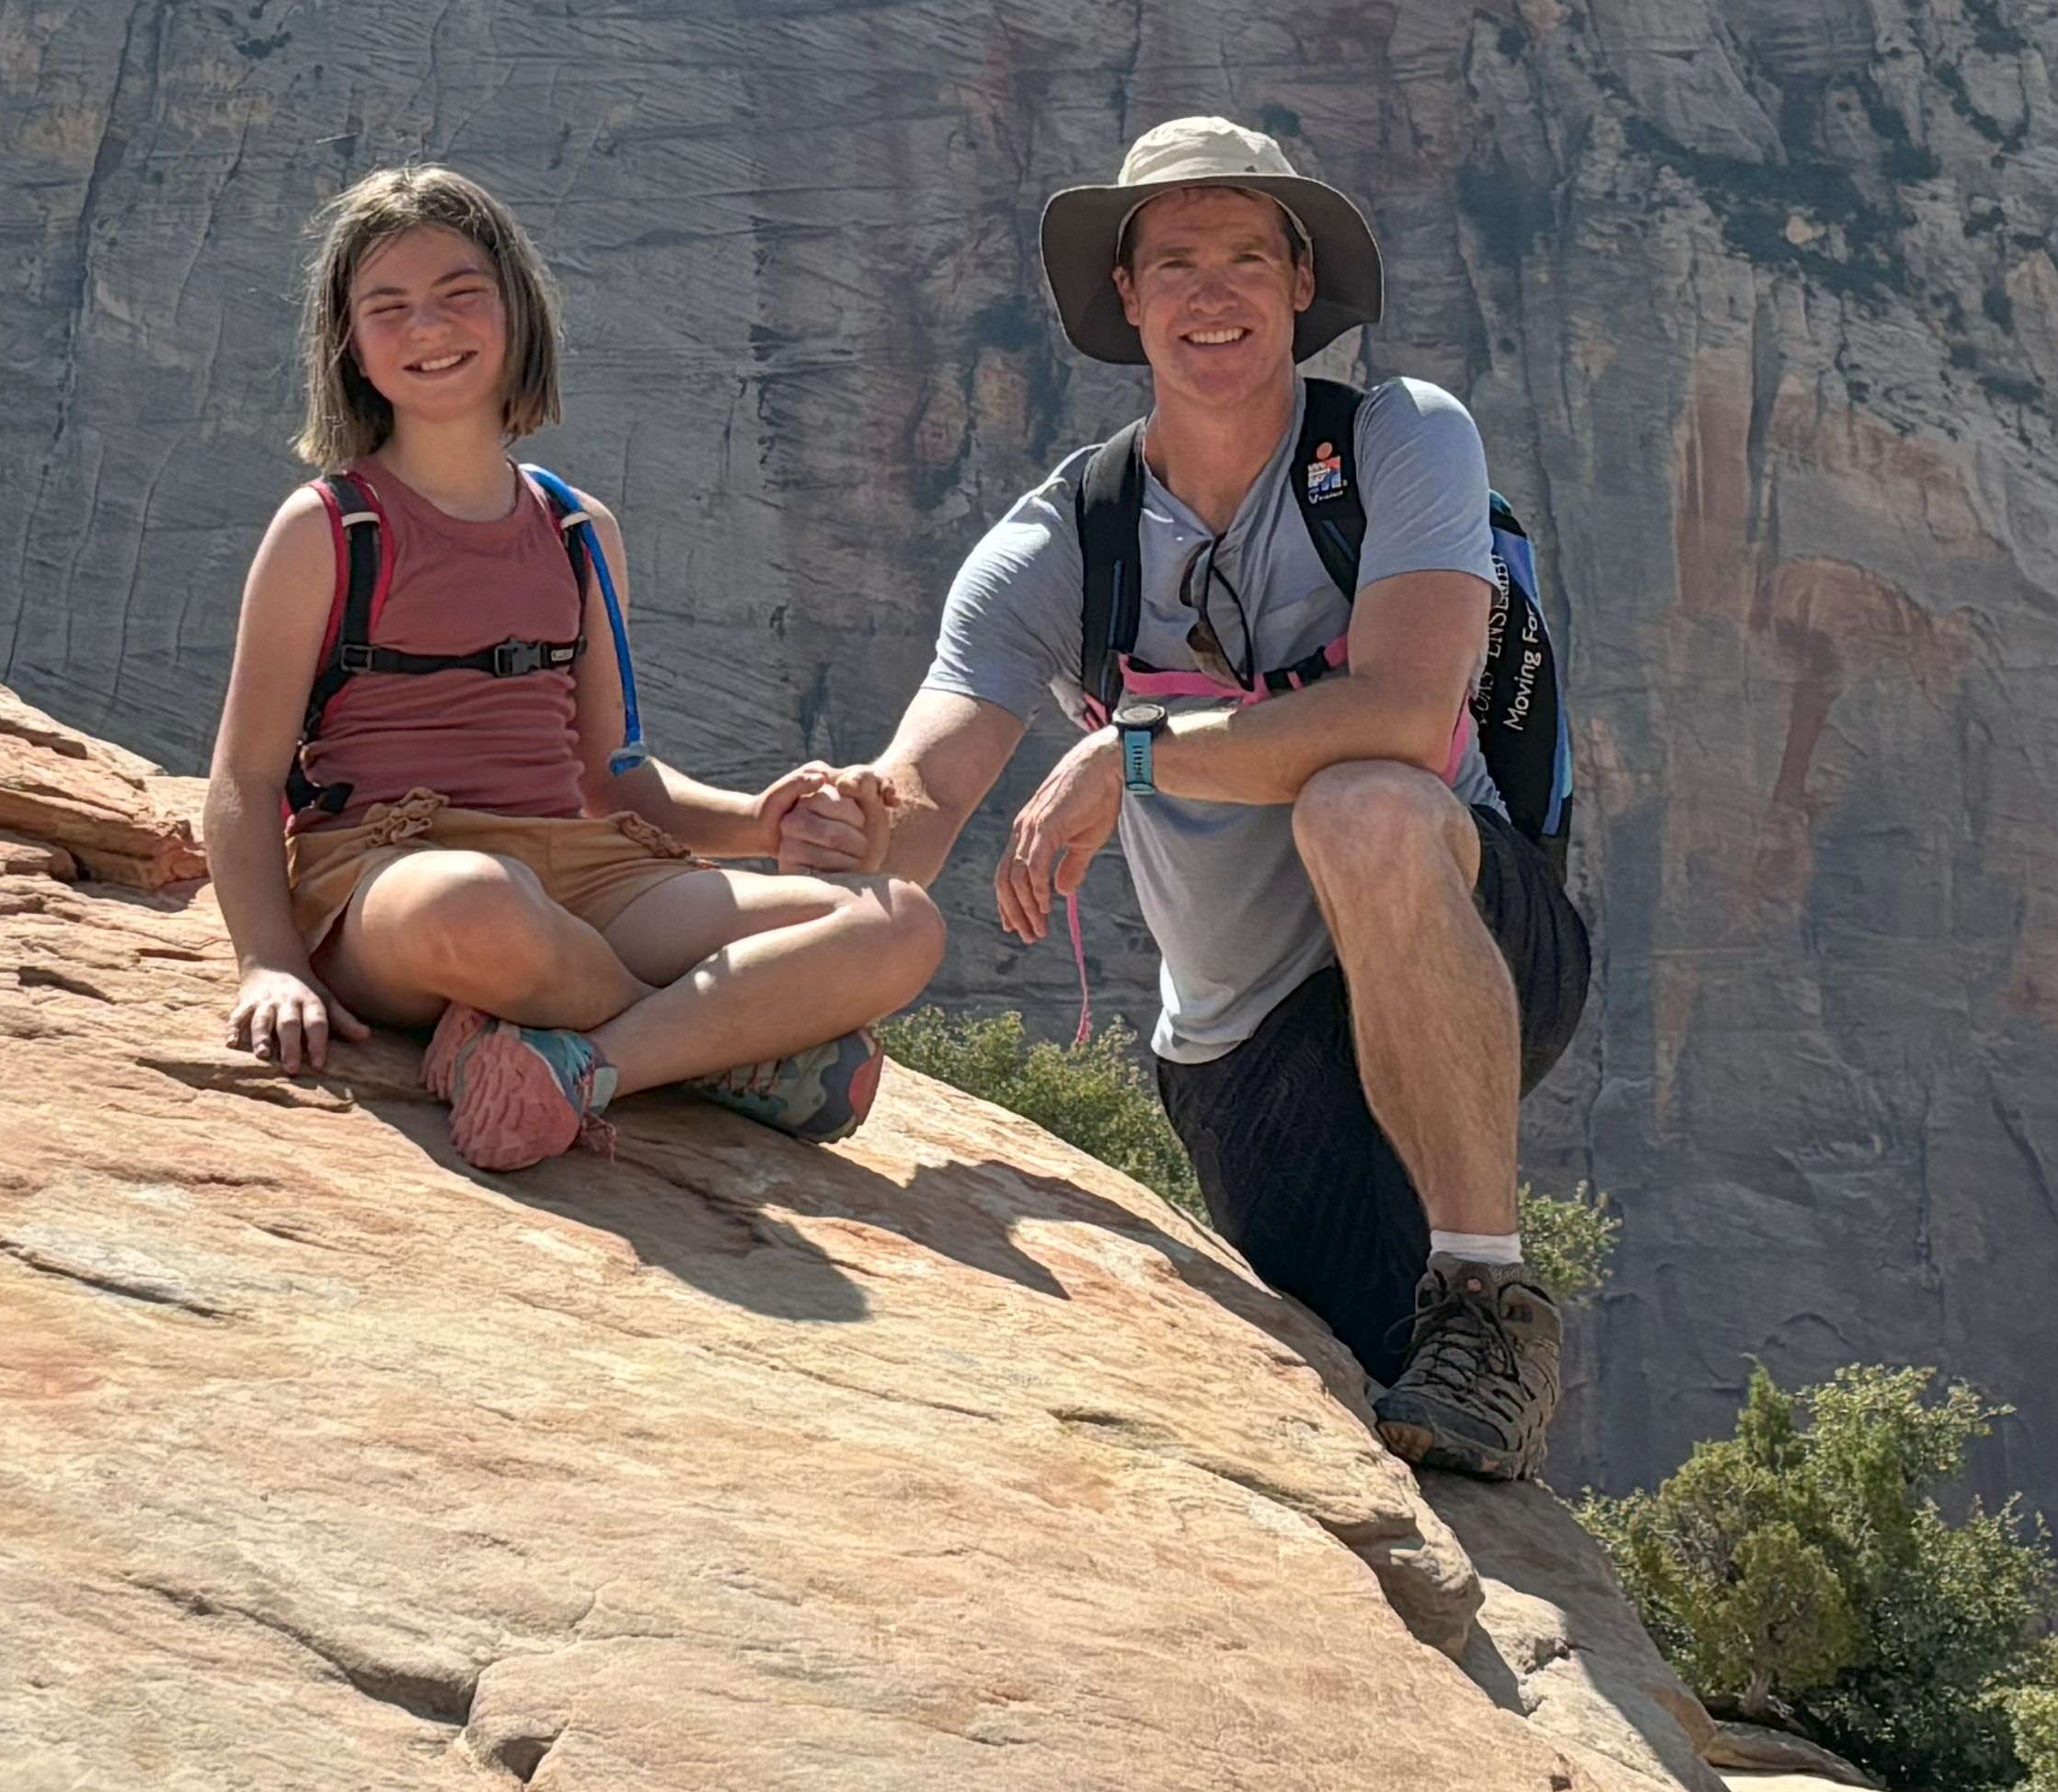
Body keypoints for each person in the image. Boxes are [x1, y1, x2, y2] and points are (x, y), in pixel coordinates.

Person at [841, 119, 1592, 1476]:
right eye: (1177, 263)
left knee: (1360, 804)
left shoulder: (1403, 440)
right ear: (1127, 297)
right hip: (1249, 1055)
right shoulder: (1061, 545)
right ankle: (1466, 1391)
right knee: (1388, 1410)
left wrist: (1130, 754)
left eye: (1248, 255)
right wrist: (785, 848)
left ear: (1302, 282)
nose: (1214, 292)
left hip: (1477, 924)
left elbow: (1404, 714)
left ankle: (1494, 1300)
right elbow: (922, 797)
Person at [203, 163, 945, 1176]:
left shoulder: (575, 530)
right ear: (349, 347)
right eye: (389, 307)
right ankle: (724, 1053)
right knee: (479, 901)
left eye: (459, 293)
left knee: (900, 921)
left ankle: (582, 1065)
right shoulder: (328, 528)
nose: (429, 327)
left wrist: (762, 825)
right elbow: (245, 777)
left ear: (518, 310)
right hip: (392, 878)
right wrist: (268, 964)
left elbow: (613, 778)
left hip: (585, 876)